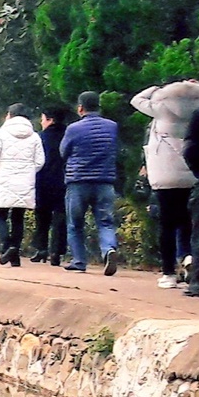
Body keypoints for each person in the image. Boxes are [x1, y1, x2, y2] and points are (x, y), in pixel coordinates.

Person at [131, 74, 199, 289]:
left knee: (167, 225)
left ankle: (168, 274)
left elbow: (137, 99)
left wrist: (159, 87)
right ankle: (188, 256)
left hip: (165, 175)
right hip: (194, 173)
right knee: (188, 222)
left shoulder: (161, 108)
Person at [59, 90, 123, 274]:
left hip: (78, 181)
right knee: (105, 222)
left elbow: (63, 152)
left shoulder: (73, 129)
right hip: (105, 181)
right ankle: (109, 249)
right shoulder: (112, 126)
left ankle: (79, 261)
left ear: (80, 108)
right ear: (99, 106)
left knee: (75, 223)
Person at [0, 111, 43, 266]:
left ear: (9, 115)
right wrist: (29, 172)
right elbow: (40, 161)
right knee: (18, 218)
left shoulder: (1, 134)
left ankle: (7, 245)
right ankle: (15, 255)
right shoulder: (35, 136)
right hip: (25, 181)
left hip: (4, 177)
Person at [29, 104, 71, 261]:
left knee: (42, 216)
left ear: (50, 120)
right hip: (64, 180)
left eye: (42, 119)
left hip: (43, 181)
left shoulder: (40, 137)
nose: (41, 122)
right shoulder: (68, 134)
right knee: (61, 217)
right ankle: (57, 252)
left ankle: (41, 249)